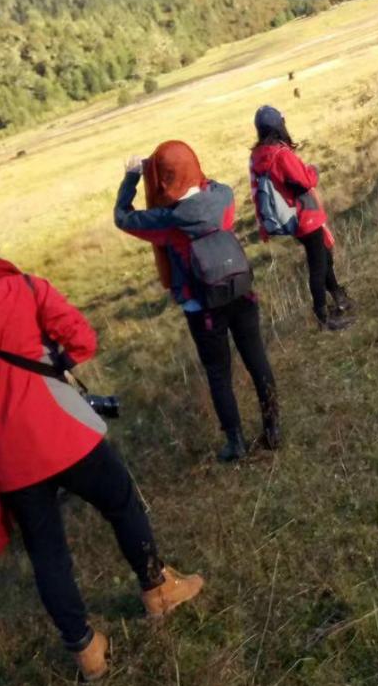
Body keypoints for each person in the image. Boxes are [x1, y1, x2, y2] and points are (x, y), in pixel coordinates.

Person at [0, 208, 203, 681]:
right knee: (122, 503)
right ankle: (156, 588)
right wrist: (54, 362)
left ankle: (86, 651)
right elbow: (82, 342)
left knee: (47, 553)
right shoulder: (23, 286)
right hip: (64, 432)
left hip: (9, 454)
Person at [114, 140, 279, 462]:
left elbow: (123, 217)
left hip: (202, 306)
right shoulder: (223, 197)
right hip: (241, 289)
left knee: (219, 374)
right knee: (257, 360)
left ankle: (236, 442)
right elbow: (211, 183)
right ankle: (273, 427)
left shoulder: (164, 220)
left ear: (162, 180)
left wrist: (132, 177)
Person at [249, 106, 354, 332]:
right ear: (279, 125)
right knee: (318, 264)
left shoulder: (257, 156)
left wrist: (262, 225)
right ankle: (323, 316)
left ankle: (339, 296)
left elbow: (256, 191)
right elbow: (305, 181)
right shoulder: (281, 154)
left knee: (324, 255)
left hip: (291, 217)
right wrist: (313, 171)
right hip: (305, 214)